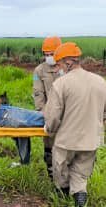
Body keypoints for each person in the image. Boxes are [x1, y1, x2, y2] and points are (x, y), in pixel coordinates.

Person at [44, 42, 106, 207]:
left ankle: (62, 196)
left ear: (68, 62)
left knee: (61, 172)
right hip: (91, 139)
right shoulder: (100, 82)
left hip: (66, 141)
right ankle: (80, 200)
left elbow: (53, 117)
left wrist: (49, 130)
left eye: (58, 64)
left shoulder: (61, 84)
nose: (57, 69)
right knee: (80, 174)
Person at [33, 36, 62, 177]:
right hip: (49, 115)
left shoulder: (66, 68)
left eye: (51, 54)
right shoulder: (39, 71)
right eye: (46, 54)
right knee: (50, 147)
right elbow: (38, 93)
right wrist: (43, 113)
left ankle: (67, 181)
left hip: (68, 115)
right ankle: (52, 175)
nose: (48, 57)